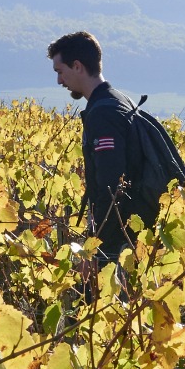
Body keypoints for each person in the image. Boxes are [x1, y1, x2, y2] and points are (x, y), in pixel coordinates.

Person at [48, 30, 175, 265]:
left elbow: (110, 188)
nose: (59, 81)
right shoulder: (119, 100)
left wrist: (95, 251)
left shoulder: (104, 115)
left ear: (77, 66)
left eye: (60, 71)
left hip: (119, 245)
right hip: (134, 235)